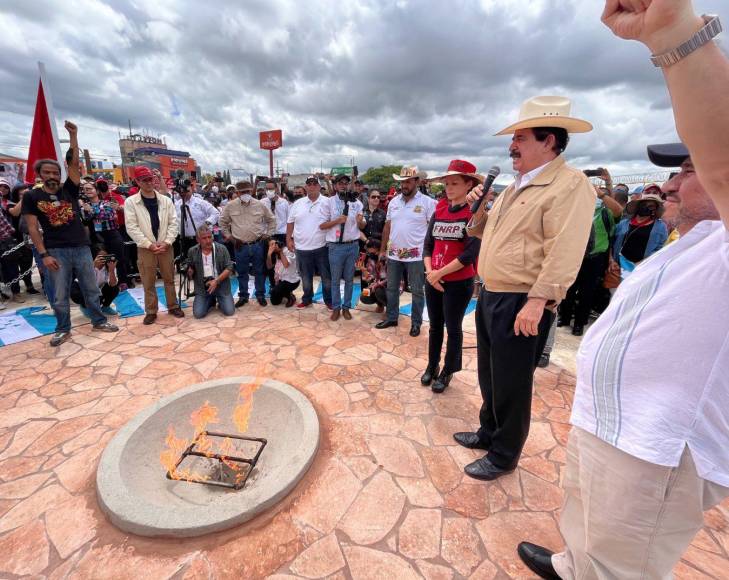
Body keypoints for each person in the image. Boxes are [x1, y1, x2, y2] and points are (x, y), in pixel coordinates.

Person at [516, 2, 729, 579]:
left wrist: (673, 35)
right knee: (586, 517)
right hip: (610, 424)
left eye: (686, 170)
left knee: (624, 562)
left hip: (657, 450)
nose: (670, 183)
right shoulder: (695, 239)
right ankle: (572, 564)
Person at [459, 96, 595, 481]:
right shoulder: (515, 185)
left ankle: (504, 455)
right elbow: (489, 233)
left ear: (549, 140)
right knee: (490, 373)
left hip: (522, 299)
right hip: (492, 293)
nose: (511, 146)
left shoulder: (570, 185)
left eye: (520, 137)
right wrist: (480, 207)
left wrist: (538, 301)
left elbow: (565, 249)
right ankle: (489, 433)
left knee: (513, 382)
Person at [21, 121, 119, 346]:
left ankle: (98, 320)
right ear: (40, 175)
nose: (52, 175)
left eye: (55, 172)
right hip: (55, 250)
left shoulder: (69, 190)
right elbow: (33, 228)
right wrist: (44, 254)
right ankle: (63, 328)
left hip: (81, 247)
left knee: (91, 287)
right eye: (47, 172)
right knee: (59, 293)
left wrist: (74, 136)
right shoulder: (32, 197)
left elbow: (74, 164)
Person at [422, 160, 482, 393]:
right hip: (433, 278)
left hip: (458, 282)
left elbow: (469, 254)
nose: (449, 187)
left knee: (453, 328)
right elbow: (428, 244)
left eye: (455, 183)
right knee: (435, 326)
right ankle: (432, 365)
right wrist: (430, 273)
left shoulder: (474, 213)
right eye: (447, 183)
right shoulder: (440, 209)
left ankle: (448, 371)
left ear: (469, 184)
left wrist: (439, 274)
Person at [376, 166, 436, 336]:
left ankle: (416, 323)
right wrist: (382, 249)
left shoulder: (428, 203)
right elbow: (388, 226)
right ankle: (392, 317)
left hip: (416, 256)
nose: (404, 185)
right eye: (402, 181)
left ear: (416, 181)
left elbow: (432, 231)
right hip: (394, 254)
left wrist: (429, 255)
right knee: (392, 288)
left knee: (417, 290)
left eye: (408, 181)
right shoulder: (393, 202)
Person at [558, 185, 623, 336]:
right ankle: (565, 317)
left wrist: (602, 195)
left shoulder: (606, 213)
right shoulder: (578, 210)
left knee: (587, 292)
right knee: (569, 288)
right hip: (574, 255)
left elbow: (619, 211)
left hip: (595, 258)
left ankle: (579, 323)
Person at [124, 165, 184, 325]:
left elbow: (173, 223)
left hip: (166, 245)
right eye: (145, 180)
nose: (149, 182)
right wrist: (148, 244)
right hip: (145, 248)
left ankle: (173, 306)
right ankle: (151, 311)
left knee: (169, 278)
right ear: (137, 181)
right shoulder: (131, 202)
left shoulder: (165, 200)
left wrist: (167, 242)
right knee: (148, 281)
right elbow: (131, 227)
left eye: (151, 178)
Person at [219, 180, 276, 307]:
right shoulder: (230, 205)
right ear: (237, 193)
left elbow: (271, 220)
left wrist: (267, 235)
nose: (246, 194)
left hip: (257, 244)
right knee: (242, 272)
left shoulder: (259, 205)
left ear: (251, 191)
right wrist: (231, 238)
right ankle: (243, 296)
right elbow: (222, 222)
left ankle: (260, 294)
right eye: (243, 192)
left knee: (260, 271)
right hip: (240, 245)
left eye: (248, 191)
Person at [320, 174, 365, 321]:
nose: (343, 185)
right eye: (340, 183)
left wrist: (360, 222)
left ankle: (346, 307)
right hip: (335, 247)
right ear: (335, 185)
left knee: (350, 279)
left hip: (352, 246)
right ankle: (336, 308)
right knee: (335, 279)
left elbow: (362, 224)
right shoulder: (328, 203)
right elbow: (322, 225)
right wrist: (337, 220)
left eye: (346, 183)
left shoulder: (357, 203)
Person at [286, 175, 332, 310]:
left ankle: (328, 300)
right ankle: (307, 299)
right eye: (309, 184)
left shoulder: (328, 202)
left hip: (322, 247)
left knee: (326, 277)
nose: (312, 186)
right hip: (301, 248)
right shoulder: (297, 204)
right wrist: (289, 239)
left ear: (319, 186)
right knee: (306, 277)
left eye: (314, 183)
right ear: (306, 187)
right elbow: (290, 222)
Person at [79, 180, 131, 294]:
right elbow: (86, 219)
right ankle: (106, 286)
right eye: (85, 189)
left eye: (90, 189)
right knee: (101, 262)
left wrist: (91, 211)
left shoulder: (107, 203)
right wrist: (89, 211)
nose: (87, 191)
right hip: (96, 237)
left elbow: (108, 215)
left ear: (97, 191)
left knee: (119, 259)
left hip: (112, 234)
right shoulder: (83, 207)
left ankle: (123, 282)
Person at [611, 193, 668, 281]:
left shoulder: (660, 227)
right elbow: (612, 242)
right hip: (618, 266)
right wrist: (611, 260)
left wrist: (643, 263)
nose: (646, 207)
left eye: (651, 206)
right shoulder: (624, 223)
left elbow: (660, 249)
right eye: (644, 204)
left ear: (655, 209)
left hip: (641, 269)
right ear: (638, 206)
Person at [185, 225, 235, 319]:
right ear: (198, 240)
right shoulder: (192, 251)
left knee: (229, 311)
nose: (208, 240)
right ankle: (211, 300)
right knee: (198, 314)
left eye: (209, 237)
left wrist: (216, 281)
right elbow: (189, 269)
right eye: (204, 238)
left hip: (221, 285)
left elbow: (229, 268)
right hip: (203, 288)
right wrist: (189, 272)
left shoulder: (222, 249)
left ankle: (220, 299)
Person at [6, 183, 42, 298]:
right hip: (13, 239)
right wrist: (25, 197)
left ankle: (29, 285)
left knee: (28, 263)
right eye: (21, 194)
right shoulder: (10, 204)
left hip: (29, 238)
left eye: (26, 192)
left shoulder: (33, 203)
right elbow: (14, 212)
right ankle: (16, 290)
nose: (24, 195)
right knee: (15, 266)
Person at [175, 180, 220, 258]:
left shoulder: (200, 203)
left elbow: (215, 213)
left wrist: (207, 223)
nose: (184, 192)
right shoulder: (177, 204)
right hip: (183, 241)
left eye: (187, 189)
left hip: (199, 239)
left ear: (191, 188)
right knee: (187, 264)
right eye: (181, 190)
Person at [71, 245, 119, 317]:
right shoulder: (87, 264)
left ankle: (106, 306)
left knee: (115, 288)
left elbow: (113, 284)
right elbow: (83, 280)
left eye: (105, 256)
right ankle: (84, 306)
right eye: (100, 257)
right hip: (80, 288)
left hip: (97, 289)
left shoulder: (110, 266)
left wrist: (111, 270)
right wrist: (93, 266)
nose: (103, 259)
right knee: (90, 296)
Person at [266, 239, 299, 307]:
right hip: (280, 280)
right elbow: (269, 267)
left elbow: (286, 265)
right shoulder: (274, 254)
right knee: (275, 302)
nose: (274, 246)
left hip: (291, 281)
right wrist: (269, 254)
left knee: (277, 290)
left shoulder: (288, 251)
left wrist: (281, 251)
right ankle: (285, 293)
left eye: (275, 243)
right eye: (271, 245)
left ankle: (290, 297)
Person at [359, 239, 387, 313]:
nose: (368, 252)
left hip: (391, 286)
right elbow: (370, 278)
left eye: (369, 250)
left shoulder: (386, 258)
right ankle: (380, 305)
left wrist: (376, 285)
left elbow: (390, 278)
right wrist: (364, 270)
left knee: (378, 291)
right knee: (364, 295)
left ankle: (391, 309)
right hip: (378, 284)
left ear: (375, 248)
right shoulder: (371, 259)